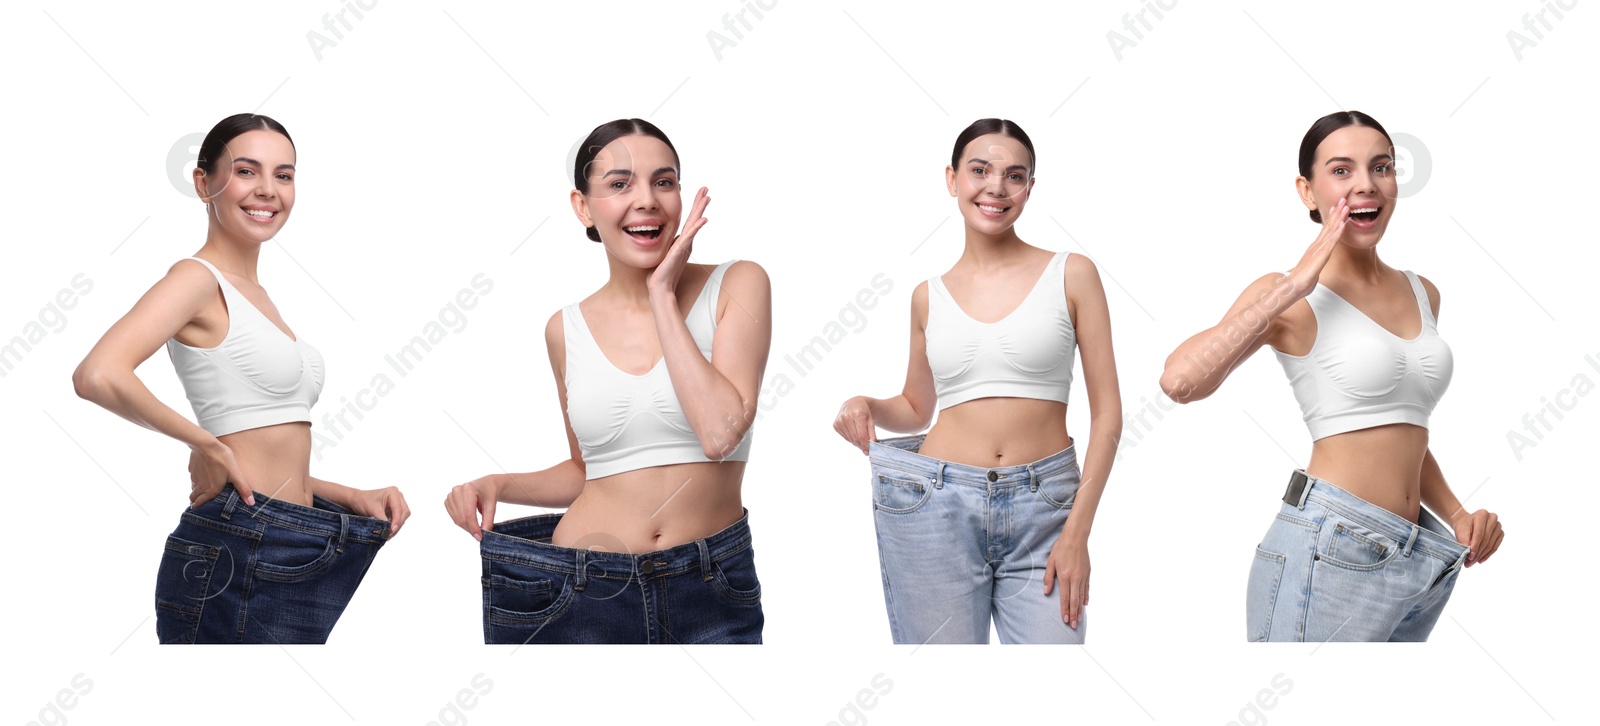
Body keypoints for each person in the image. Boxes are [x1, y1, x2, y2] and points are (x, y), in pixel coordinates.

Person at [1159, 110, 1504, 642]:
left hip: (1418, 552)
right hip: (1328, 546)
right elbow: (1180, 382)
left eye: (1382, 167)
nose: (1366, 184)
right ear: (1307, 190)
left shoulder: (1423, 291)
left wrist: (1457, 512)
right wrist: (1293, 284)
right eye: (1341, 170)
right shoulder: (1288, 296)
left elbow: (1397, 430)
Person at [73, 113, 409, 643]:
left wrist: (345, 493)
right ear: (204, 183)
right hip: (239, 543)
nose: (268, 191)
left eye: (284, 174)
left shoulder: (259, 297)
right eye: (247, 171)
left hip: (293, 535)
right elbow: (96, 373)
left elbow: (257, 447)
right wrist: (204, 443)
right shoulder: (195, 279)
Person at [444, 118, 771, 644]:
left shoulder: (737, 284)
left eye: (664, 182)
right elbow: (585, 470)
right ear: (583, 206)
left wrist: (662, 295)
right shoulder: (564, 330)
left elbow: (720, 433)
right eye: (620, 184)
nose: (647, 200)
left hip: (709, 589)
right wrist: (498, 485)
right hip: (576, 589)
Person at [834, 118, 1122, 644]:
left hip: (1046, 508)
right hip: (935, 504)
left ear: (1030, 188)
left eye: (1015, 176)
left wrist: (1077, 531)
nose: (996, 187)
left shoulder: (1072, 273)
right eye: (980, 170)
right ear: (952, 179)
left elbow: (1108, 416)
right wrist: (867, 404)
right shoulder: (928, 295)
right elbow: (917, 407)